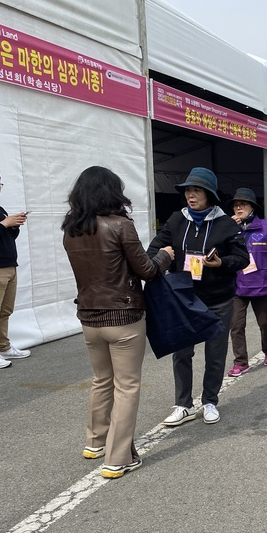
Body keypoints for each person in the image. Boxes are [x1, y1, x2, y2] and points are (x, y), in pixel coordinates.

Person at [61, 166, 175, 478]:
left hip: (88, 317)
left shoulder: (71, 229)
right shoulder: (120, 225)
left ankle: (95, 442)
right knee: (127, 386)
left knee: (101, 380)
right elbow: (147, 270)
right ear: (112, 191)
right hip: (123, 317)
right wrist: (165, 255)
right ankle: (118, 457)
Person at [148, 167, 250, 427]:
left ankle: (210, 401)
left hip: (219, 299)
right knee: (181, 352)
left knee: (215, 353)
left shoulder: (226, 224)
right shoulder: (176, 220)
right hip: (183, 298)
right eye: (188, 191)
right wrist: (164, 257)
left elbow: (242, 258)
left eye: (197, 191)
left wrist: (221, 263)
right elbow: (154, 250)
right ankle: (183, 404)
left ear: (210, 195)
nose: (191, 196)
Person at [226, 188, 267, 377]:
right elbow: (216, 250)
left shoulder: (266, 226)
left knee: (265, 322)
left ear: (252, 207)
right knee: (236, 326)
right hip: (237, 286)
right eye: (236, 205)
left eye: (242, 204)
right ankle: (241, 362)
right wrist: (226, 228)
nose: (238, 208)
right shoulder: (227, 227)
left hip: (263, 285)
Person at [0, 168, 30, 369]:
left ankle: (2, 346)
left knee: (5, 311)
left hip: (9, 266)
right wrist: (5, 223)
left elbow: (5, 237)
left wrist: (14, 226)